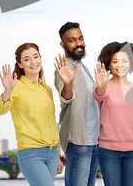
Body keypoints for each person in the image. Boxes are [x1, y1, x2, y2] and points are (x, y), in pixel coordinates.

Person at [0, 43, 64, 186]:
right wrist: (7, 90)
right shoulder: (16, 86)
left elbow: (50, 123)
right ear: (20, 64)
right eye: (27, 59)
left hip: (51, 153)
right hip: (30, 153)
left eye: (36, 56)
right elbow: (0, 110)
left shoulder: (47, 89)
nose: (33, 62)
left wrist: (57, 153)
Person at [93, 41, 133, 186]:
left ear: (130, 63)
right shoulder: (103, 85)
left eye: (124, 61)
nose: (120, 65)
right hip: (108, 151)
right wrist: (100, 85)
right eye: (115, 61)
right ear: (109, 64)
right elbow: (98, 96)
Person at [55, 22, 100, 186]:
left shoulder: (84, 68)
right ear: (63, 44)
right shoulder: (63, 67)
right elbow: (66, 97)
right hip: (79, 141)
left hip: (94, 142)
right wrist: (68, 83)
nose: (78, 43)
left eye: (80, 38)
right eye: (72, 40)